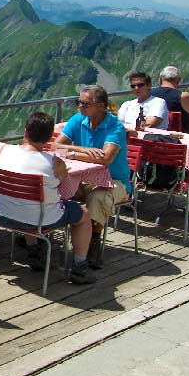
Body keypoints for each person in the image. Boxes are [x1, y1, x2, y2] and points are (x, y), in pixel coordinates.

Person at [0, 111, 93, 284]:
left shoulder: (2, 151)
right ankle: (79, 267)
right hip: (38, 220)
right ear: (48, 138)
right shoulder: (54, 163)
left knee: (28, 202)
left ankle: (34, 252)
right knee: (83, 215)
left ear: (25, 131)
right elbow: (66, 192)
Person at [53, 85, 133, 270]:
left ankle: (93, 243)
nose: (80, 107)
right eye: (78, 102)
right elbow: (55, 148)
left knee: (98, 197)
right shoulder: (78, 119)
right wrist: (82, 150)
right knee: (56, 186)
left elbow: (105, 158)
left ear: (101, 106)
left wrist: (71, 153)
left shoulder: (115, 127)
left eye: (84, 104)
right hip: (84, 178)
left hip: (115, 182)